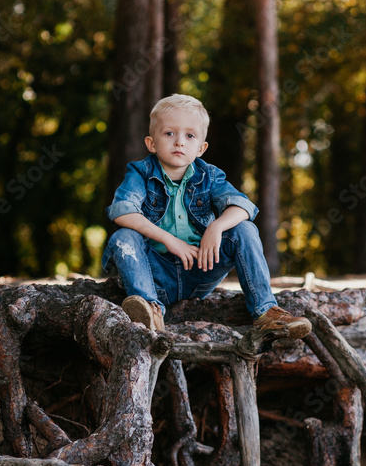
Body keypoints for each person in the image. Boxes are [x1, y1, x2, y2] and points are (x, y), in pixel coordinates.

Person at [102, 93, 311, 339]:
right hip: (154, 274)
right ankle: (151, 311)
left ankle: (266, 312)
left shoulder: (209, 176)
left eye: (189, 135)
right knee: (124, 237)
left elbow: (243, 207)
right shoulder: (140, 172)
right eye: (169, 133)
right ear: (151, 143)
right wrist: (169, 240)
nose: (179, 142)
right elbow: (122, 211)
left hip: (200, 268)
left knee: (244, 229)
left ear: (201, 148)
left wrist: (216, 228)